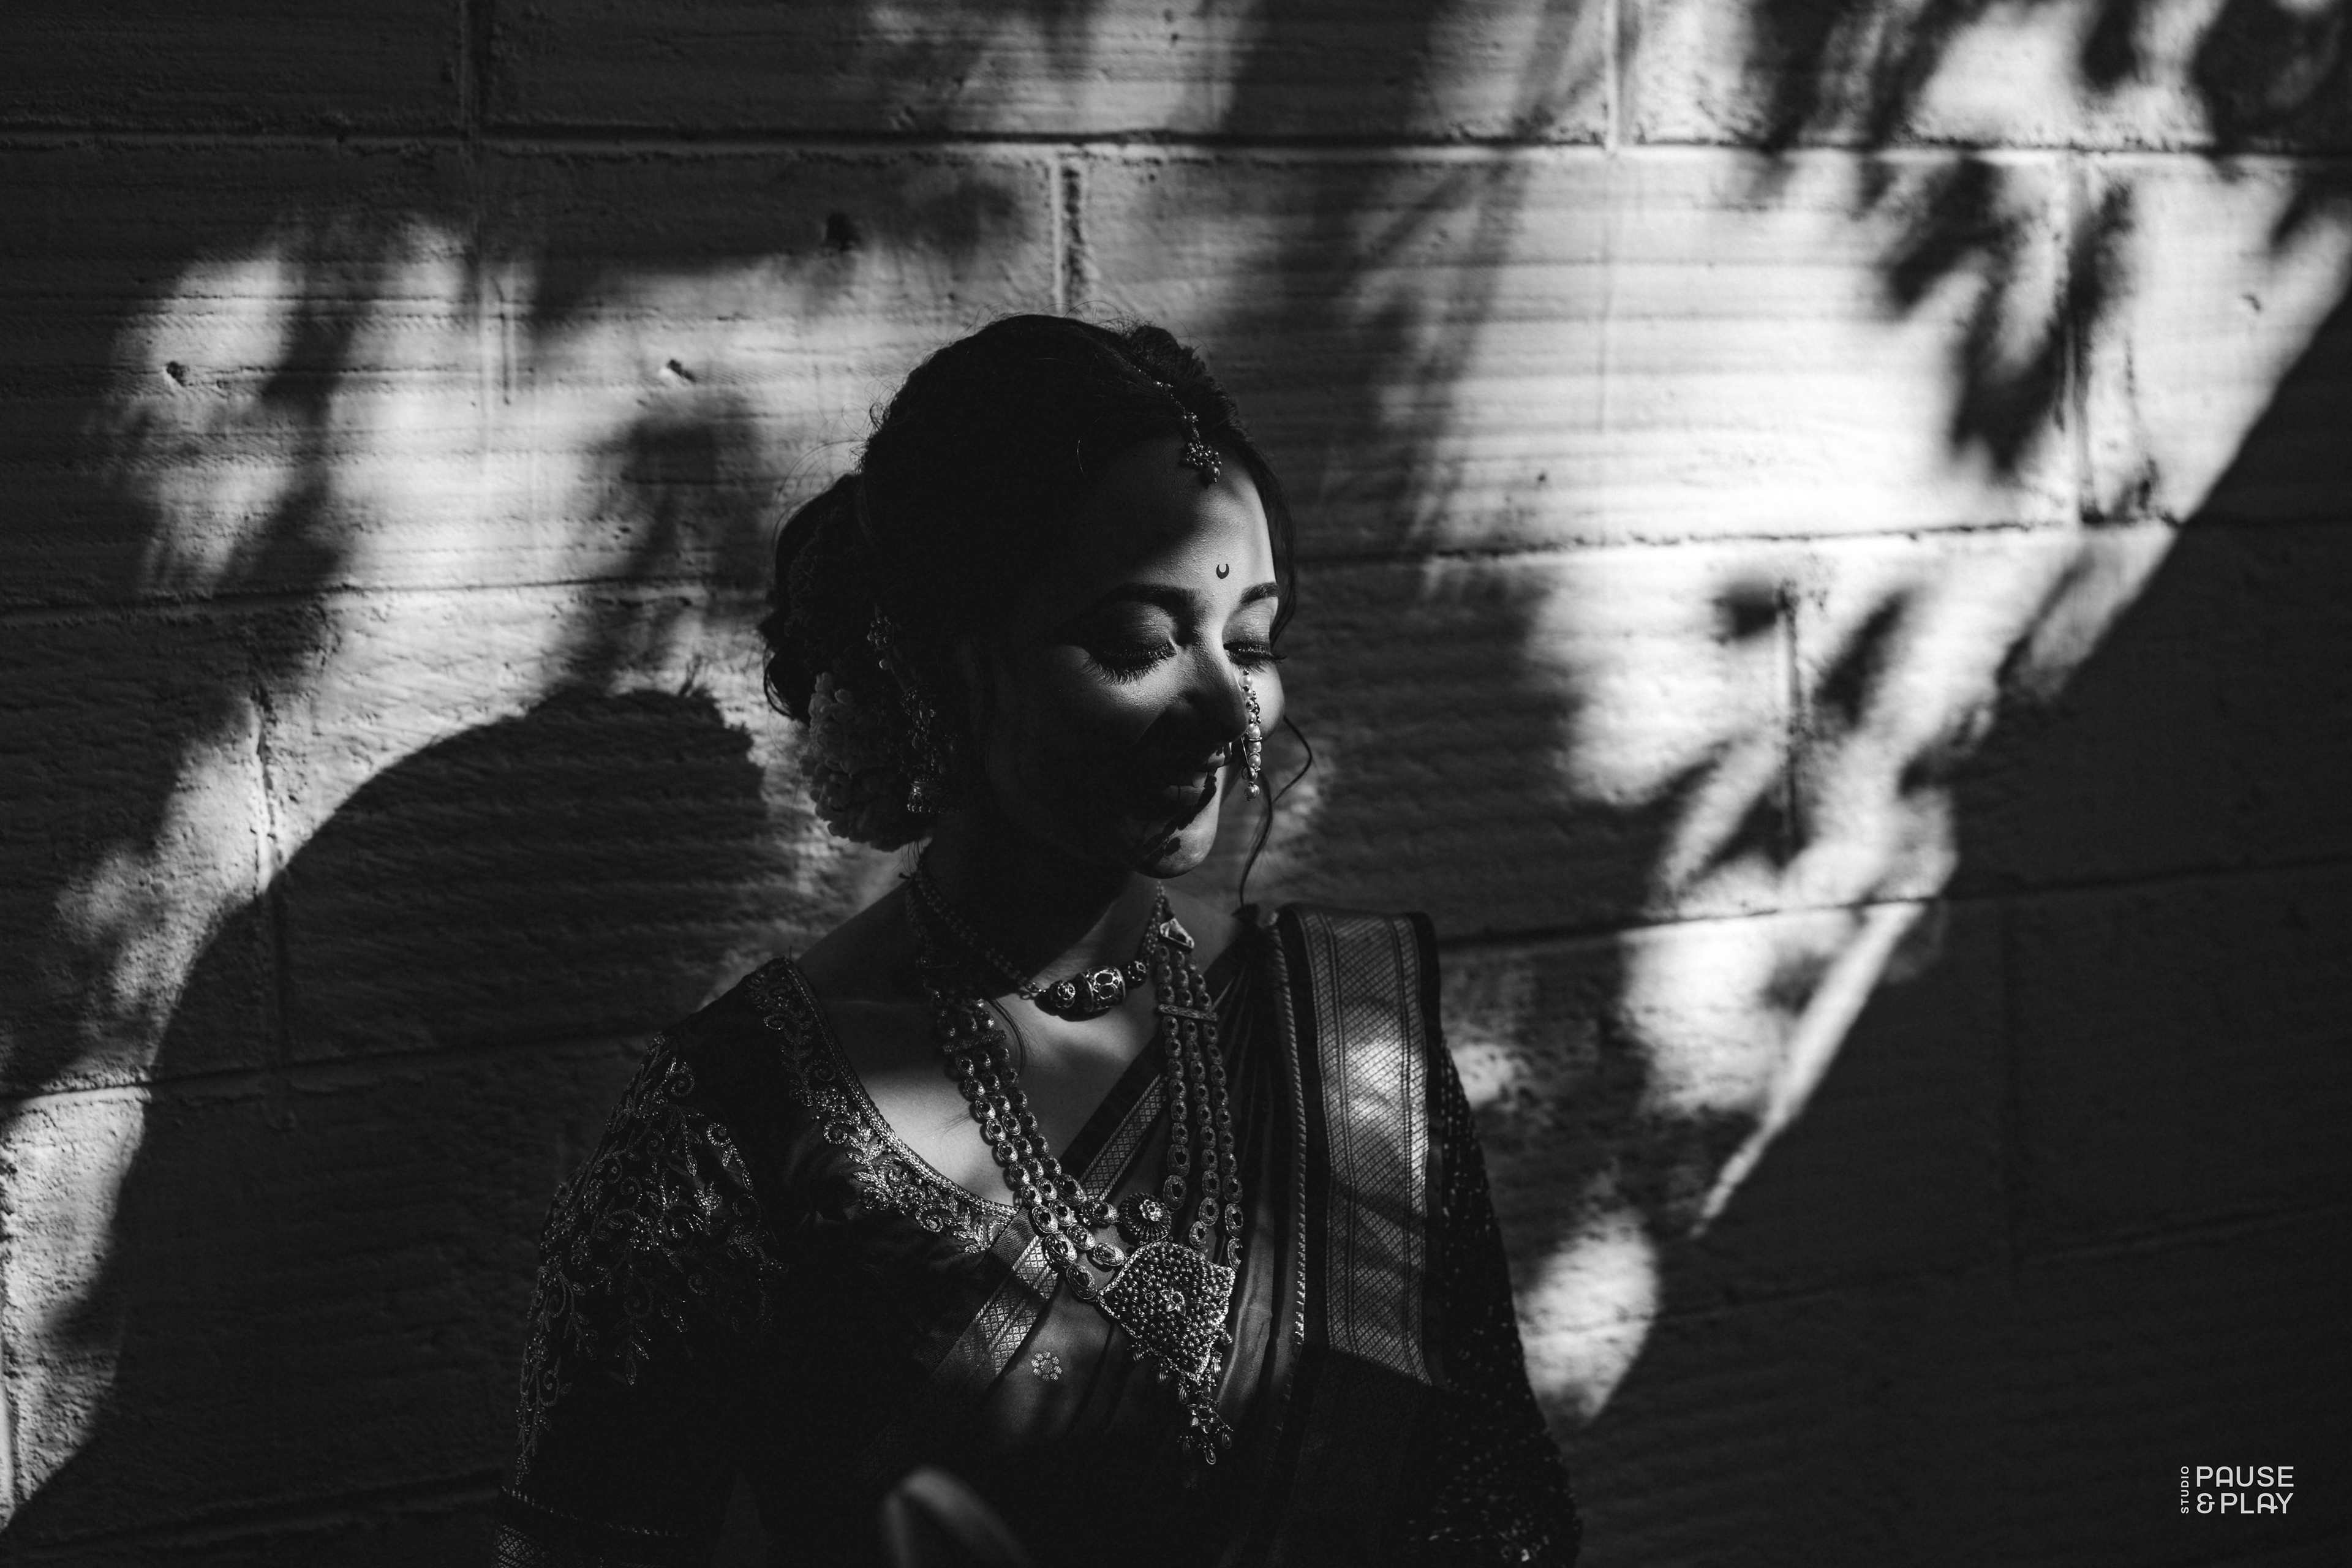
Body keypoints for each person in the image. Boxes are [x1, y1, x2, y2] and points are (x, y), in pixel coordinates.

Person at [493, 315, 1581, 1567]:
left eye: (1252, 642)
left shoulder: (1351, 1043)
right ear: (938, 663)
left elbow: (1494, 1509)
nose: (1228, 710)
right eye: (1138, 643)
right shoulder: (741, 1118)